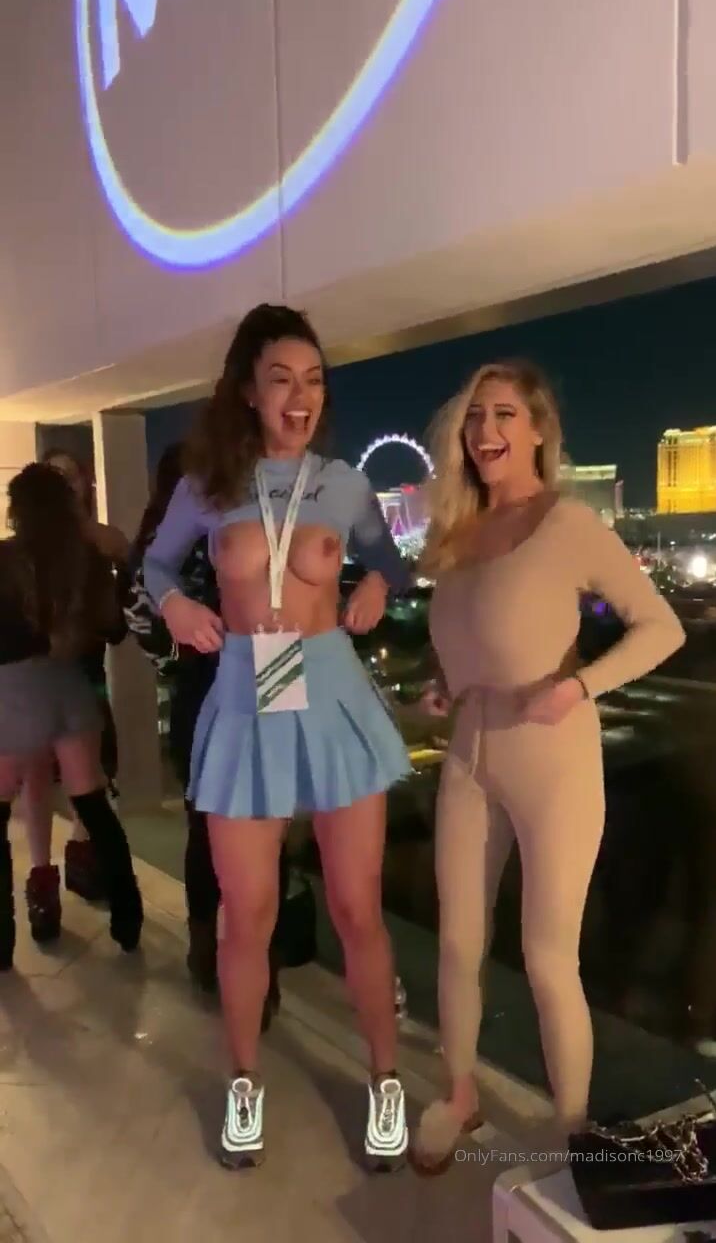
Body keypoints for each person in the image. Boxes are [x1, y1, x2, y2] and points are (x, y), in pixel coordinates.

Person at [143, 303, 412, 1170]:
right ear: (248, 392)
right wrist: (176, 604)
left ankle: (385, 1079)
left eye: (314, 380)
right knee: (246, 915)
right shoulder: (205, 485)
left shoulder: (344, 482)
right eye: (281, 379)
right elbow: (153, 564)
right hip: (245, 695)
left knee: (356, 908)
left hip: (331, 691)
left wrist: (378, 584)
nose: (300, 397)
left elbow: (391, 559)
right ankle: (244, 1082)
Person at [411, 359, 685, 1171]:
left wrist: (579, 686)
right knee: (458, 942)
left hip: (553, 757)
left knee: (547, 957)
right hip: (470, 751)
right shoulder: (458, 533)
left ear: (537, 431)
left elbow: (661, 627)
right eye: (475, 416)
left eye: (503, 414)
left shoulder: (569, 524)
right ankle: (459, 1094)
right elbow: (465, 640)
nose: (485, 430)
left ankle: (572, 1130)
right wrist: (442, 682)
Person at [125, 442, 289, 1019]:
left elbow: (137, 616)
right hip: (265, 670)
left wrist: (178, 657)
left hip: (205, 682)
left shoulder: (157, 544)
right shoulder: (253, 523)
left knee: (206, 824)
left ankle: (208, 951)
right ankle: (260, 969)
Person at [0, 464, 143, 972]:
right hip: (70, 691)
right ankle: (128, 922)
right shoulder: (85, 559)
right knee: (95, 809)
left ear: (16, 509)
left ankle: (1, 940)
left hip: (12, 694)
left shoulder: (3, 559)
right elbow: (114, 629)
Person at [18, 448, 129, 918]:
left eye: (71, 476)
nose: (64, 484)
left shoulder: (95, 541)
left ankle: (82, 859)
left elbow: (123, 561)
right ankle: (43, 875)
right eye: (55, 476)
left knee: (90, 775)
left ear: (84, 485)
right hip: (33, 679)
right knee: (38, 774)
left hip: (84, 673)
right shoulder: (23, 549)